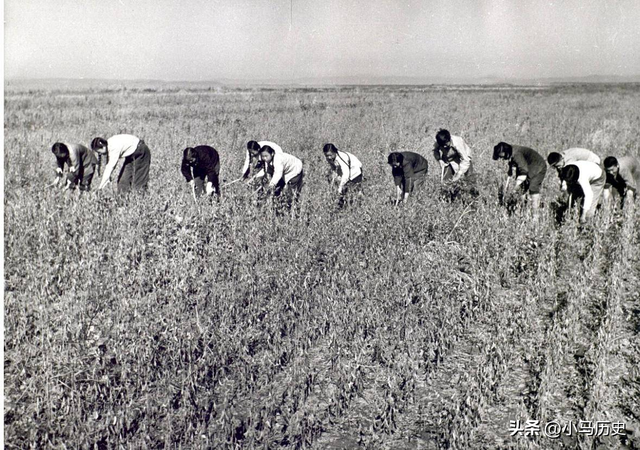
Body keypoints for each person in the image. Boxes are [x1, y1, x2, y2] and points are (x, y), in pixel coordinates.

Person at [493, 142, 547, 209]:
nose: (502, 159)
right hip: (528, 165)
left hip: (538, 166)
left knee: (532, 186)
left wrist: (517, 185)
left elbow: (523, 171)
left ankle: (535, 210)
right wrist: (510, 168)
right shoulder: (511, 150)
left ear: (506, 152)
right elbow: (515, 162)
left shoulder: (516, 155)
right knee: (521, 189)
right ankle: (523, 206)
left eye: (502, 157)